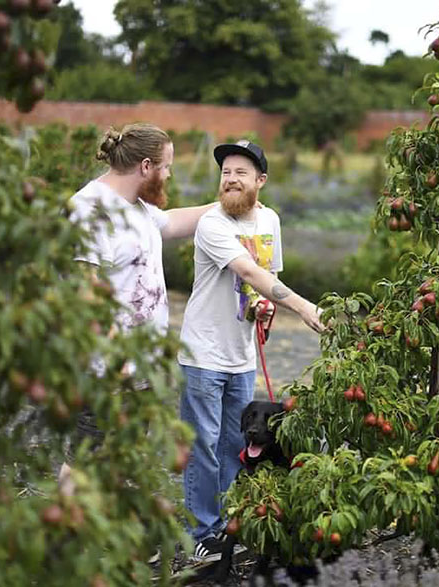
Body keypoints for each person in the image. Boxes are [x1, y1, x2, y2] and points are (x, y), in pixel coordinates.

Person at [177, 140, 324, 562]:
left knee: (236, 446)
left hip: (240, 355)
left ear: (261, 180)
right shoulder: (212, 224)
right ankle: (201, 534)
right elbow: (246, 270)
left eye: (241, 172)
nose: (231, 179)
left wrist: (265, 308)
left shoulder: (270, 221)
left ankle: (227, 525)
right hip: (203, 352)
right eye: (225, 172)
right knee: (202, 445)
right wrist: (301, 305)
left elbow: (267, 276)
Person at [60, 123, 215, 489]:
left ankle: (102, 530)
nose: (170, 174)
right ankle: (62, 531)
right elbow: (86, 287)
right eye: (166, 166)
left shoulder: (138, 208)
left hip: (139, 362)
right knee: (85, 455)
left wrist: (227, 203)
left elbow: (173, 222)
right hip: (105, 364)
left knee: (123, 453)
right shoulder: (89, 208)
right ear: (146, 166)